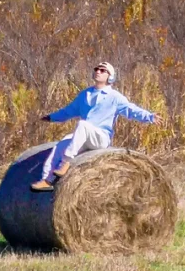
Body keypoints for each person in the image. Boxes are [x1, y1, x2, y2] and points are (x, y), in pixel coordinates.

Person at [30, 60, 157, 190]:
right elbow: (68, 111)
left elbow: (131, 109)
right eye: (97, 69)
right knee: (60, 146)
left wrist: (149, 116)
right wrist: (51, 117)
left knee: (83, 125)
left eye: (102, 70)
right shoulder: (85, 94)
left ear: (110, 77)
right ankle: (47, 180)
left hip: (100, 138)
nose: (98, 72)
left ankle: (66, 163)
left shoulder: (114, 97)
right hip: (83, 136)